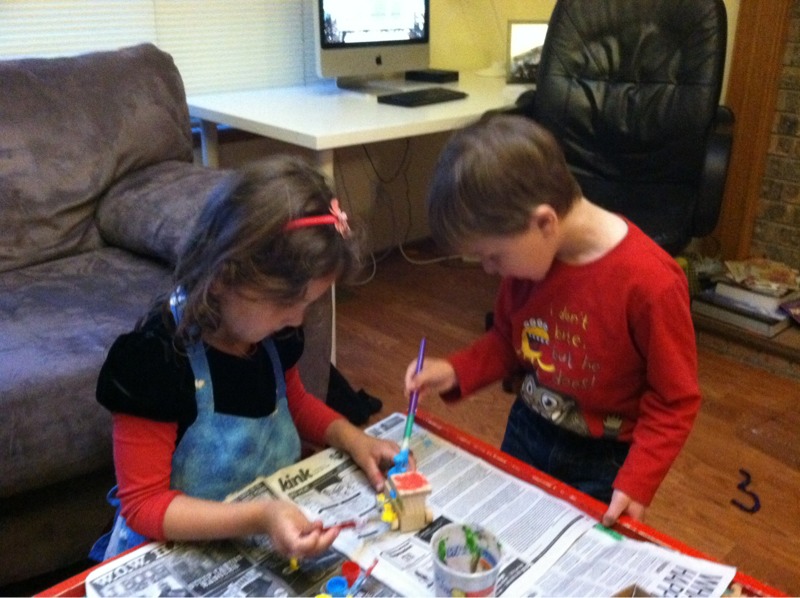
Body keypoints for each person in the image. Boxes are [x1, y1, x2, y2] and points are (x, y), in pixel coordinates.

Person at [91, 156, 401, 562]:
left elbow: (294, 403)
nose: (298, 319)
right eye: (287, 303)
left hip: (260, 536)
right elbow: (144, 505)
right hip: (173, 551)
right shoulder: (155, 361)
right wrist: (261, 516)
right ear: (223, 278)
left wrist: (352, 438)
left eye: (308, 303)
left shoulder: (273, 336)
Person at [404, 115, 701, 527]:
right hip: (529, 429)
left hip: (604, 457)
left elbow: (674, 399)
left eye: (493, 256)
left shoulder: (652, 283)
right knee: (508, 530)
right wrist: (455, 371)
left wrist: (638, 480)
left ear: (544, 222)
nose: (489, 270)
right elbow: (508, 340)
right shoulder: (528, 263)